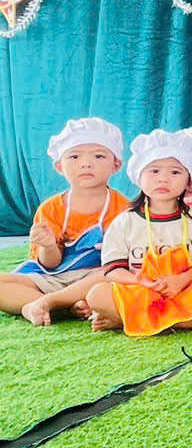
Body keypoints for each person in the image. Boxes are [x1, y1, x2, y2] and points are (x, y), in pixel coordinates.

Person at [85, 130, 192, 336]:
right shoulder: (125, 221)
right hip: (140, 291)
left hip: (182, 289)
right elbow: (113, 270)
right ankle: (183, 321)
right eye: (154, 171)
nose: (163, 179)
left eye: (175, 172)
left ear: (189, 180)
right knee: (97, 294)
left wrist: (180, 281)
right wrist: (141, 282)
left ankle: (127, 319)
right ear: (139, 177)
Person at [0, 118, 130, 325]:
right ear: (59, 166)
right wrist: (48, 245)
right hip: (53, 278)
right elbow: (49, 264)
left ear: (116, 165)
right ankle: (63, 307)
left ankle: (49, 304)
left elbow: (124, 262)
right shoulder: (50, 209)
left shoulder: (124, 208)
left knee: (112, 274)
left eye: (99, 156)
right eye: (74, 156)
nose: (86, 163)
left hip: (93, 280)